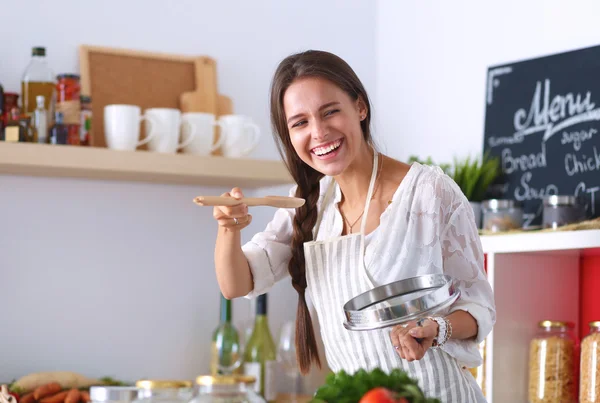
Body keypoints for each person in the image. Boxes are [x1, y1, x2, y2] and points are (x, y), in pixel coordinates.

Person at [206, 50, 496, 403]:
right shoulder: (306, 201)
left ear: (360, 107)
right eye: (300, 123)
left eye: (330, 112)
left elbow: (479, 306)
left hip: (439, 395)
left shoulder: (428, 193)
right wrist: (228, 228)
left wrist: (437, 329)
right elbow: (236, 284)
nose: (319, 132)